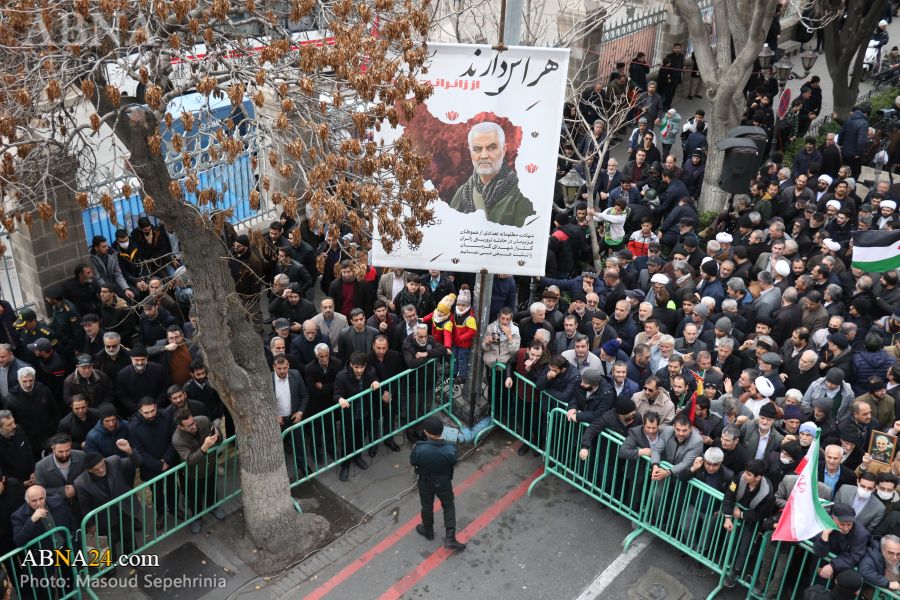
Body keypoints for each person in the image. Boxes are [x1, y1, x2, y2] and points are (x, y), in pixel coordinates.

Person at [449, 121, 535, 227]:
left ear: (504, 150)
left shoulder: (522, 194)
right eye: (477, 149)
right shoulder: (461, 194)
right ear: (471, 152)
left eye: (491, 148)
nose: (484, 155)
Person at [410, 415, 466, 552]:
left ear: (427, 432)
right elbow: (454, 461)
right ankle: (450, 538)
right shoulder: (451, 448)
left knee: (427, 506)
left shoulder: (419, 448)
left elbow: (413, 462)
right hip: (444, 482)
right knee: (448, 505)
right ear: (442, 430)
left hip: (425, 482)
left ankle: (428, 531)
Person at [171, 408, 226, 534]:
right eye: (189, 426)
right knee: (195, 497)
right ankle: (196, 517)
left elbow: (219, 439)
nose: (193, 426)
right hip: (193, 473)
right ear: (180, 426)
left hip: (210, 465)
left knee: (211, 488)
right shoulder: (177, 439)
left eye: (193, 422)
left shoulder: (203, 420)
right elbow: (191, 460)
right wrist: (205, 447)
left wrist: (218, 436)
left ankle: (213, 506)